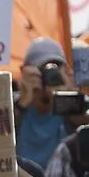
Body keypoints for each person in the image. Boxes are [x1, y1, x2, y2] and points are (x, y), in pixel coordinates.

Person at [16, 38, 70, 168]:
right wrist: (24, 101)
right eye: (43, 68)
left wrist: (65, 98)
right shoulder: (14, 106)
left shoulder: (71, 104)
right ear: (25, 72)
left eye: (56, 68)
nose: (49, 74)